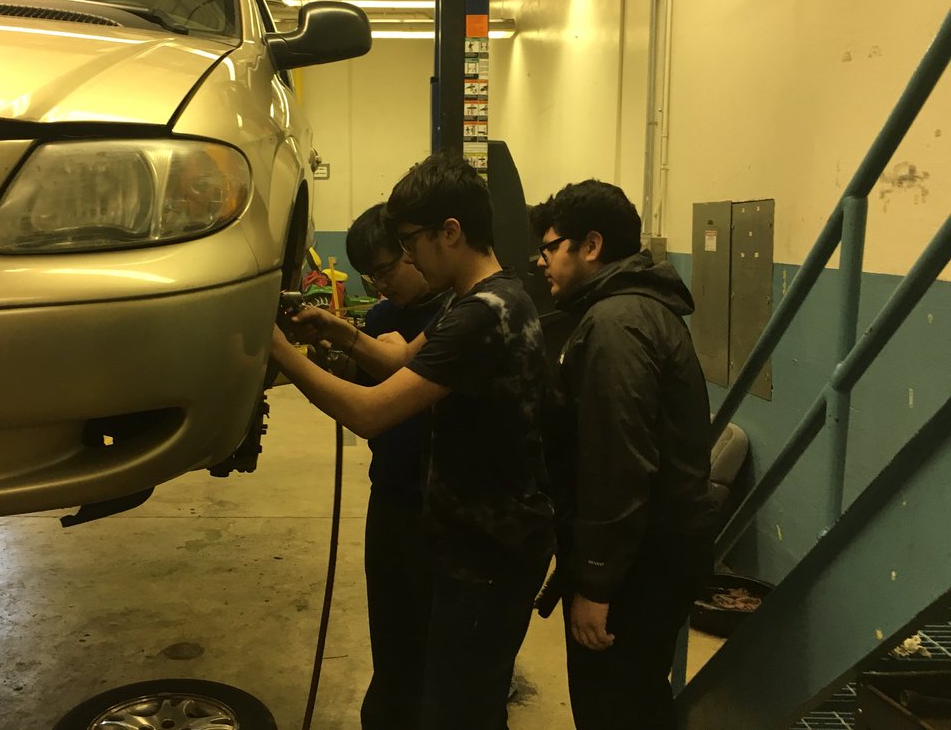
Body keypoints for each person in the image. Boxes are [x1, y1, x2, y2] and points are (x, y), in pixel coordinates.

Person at [271, 153, 556, 730]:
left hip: (487, 555)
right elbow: (401, 357)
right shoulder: (488, 297)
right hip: (479, 543)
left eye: (409, 243)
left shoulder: (481, 315)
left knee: (459, 712)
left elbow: (371, 413)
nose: (405, 258)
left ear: (450, 232)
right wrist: (336, 330)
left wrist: (274, 351)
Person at [531, 179, 717, 730]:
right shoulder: (633, 311)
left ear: (589, 246)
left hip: (636, 570)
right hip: (649, 558)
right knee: (636, 696)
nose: (540, 262)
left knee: (615, 706)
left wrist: (594, 583)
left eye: (549, 247)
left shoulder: (616, 325)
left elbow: (617, 464)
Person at [343, 203, 447, 730]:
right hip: (391, 497)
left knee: (443, 641)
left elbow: (376, 402)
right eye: (370, 276)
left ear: (413, 251)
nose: (380, 285)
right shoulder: (381, 318)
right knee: (392, 628)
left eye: (387, 270)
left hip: (448, 509)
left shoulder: (455, 318)